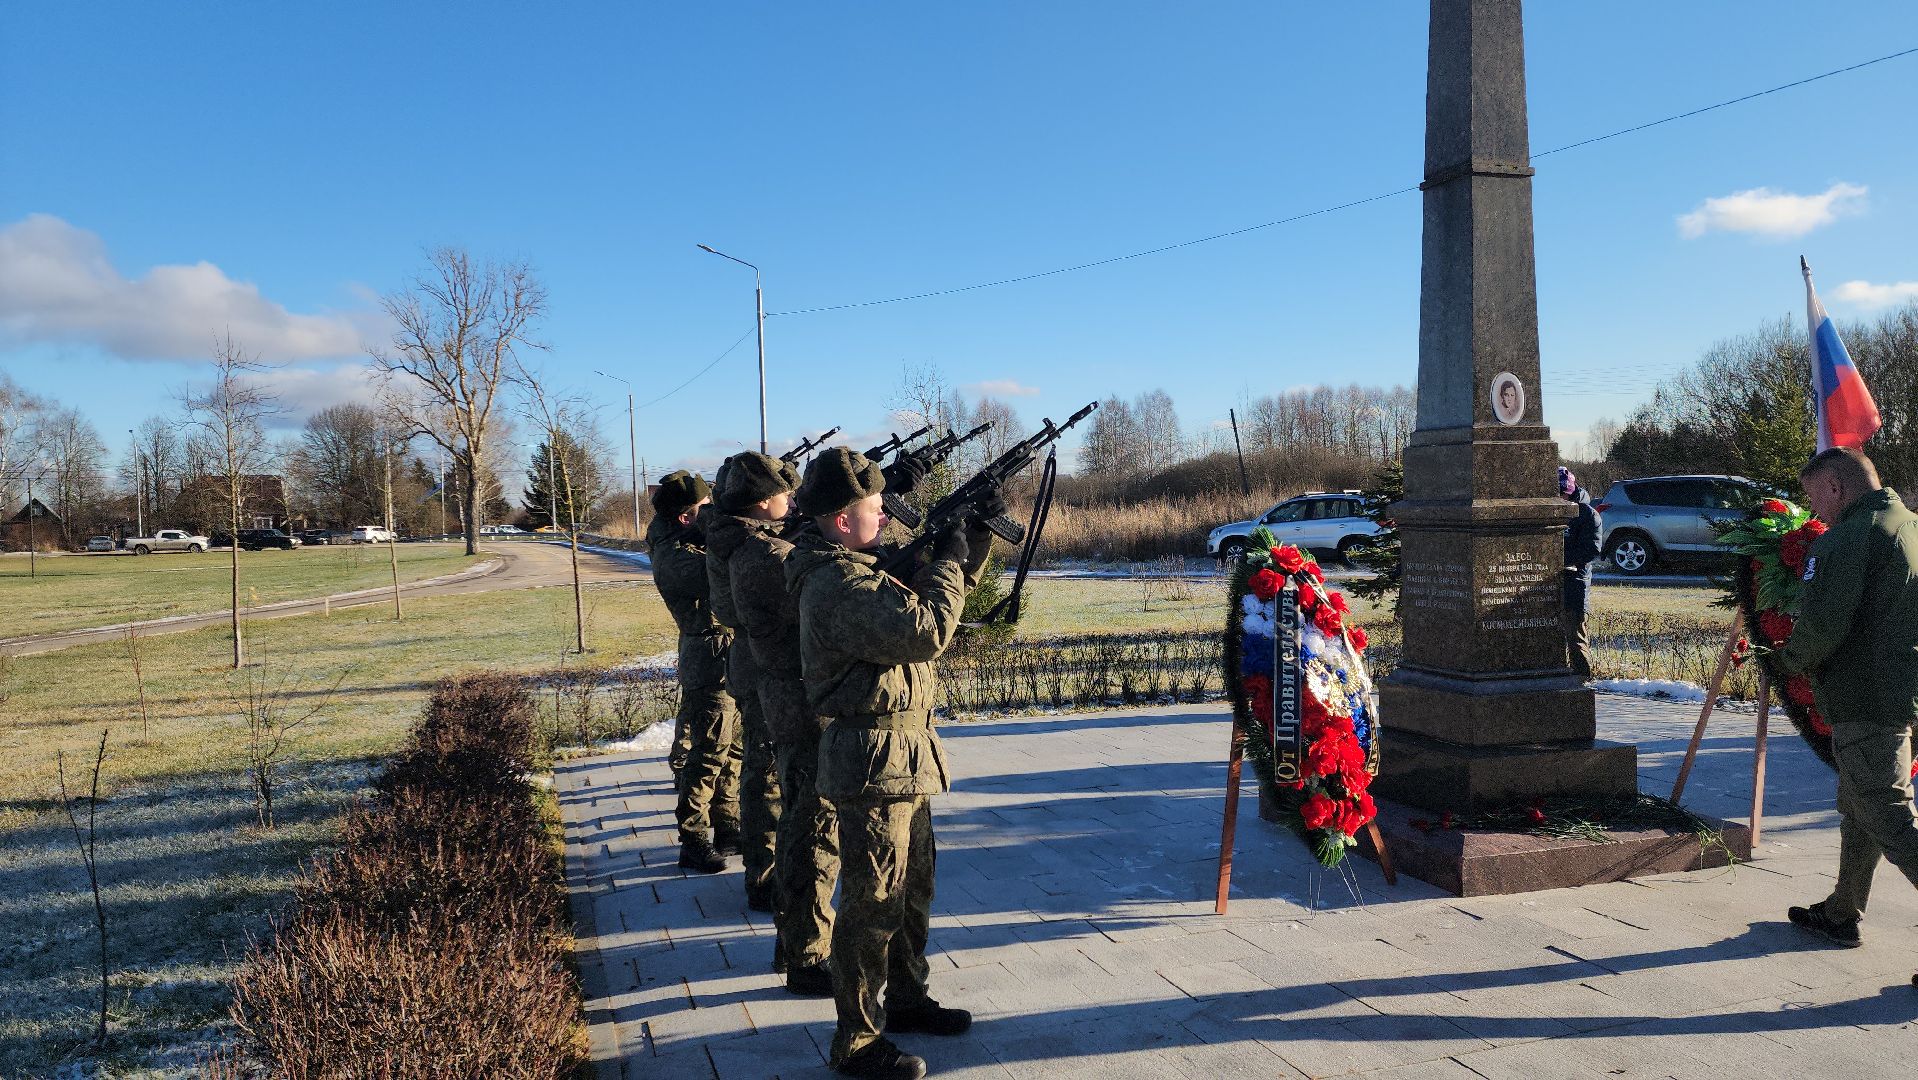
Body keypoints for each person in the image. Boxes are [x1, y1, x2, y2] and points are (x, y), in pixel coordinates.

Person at [786, 448, 996, 1080]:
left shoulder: (862, 567)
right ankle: (857, 1037)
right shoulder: (835, 583)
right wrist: (949, 562)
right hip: (872, 757)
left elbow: (942, 601)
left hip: (904, 754)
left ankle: (905, 997)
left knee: (911, 892)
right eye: (876, 508)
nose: (885, 517)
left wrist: (972, 540)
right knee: (873, 900)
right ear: (844, 518)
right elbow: (927, 627)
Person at [1773, 448, 1918, 987]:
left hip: (1867, 698)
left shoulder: (1848, 541)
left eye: (1814, 496)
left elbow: (1822, 627)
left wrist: (1783, 658)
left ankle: (1842, 910)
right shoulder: (1909, 526)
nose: (1815, 509)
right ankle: (1841, 910)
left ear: (1835, 487)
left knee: (1886, 811)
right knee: (1860, 802)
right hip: (1904, 690)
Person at [647, 470, 742, 874]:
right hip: (709, 656)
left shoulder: (689, 538)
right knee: (707, 751)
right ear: (687, 518)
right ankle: (694, 837)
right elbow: (728, 575)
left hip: (729, 651)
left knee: (734, 745)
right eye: (706, 509)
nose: (714, 514)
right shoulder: (675, 558)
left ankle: (727, 822)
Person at [705, 460, 785, 921]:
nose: (789, 501)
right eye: (781, 494)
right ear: (760, 502)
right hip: (762, 664)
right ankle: (765, 875)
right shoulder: (750, 546)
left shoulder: (728, 532)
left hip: (749, 659)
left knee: (761, 767)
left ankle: (764, 869)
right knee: (768, 774)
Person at [1559, 466, 1601, 680]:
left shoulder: (1587, 514)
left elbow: (1592, 550)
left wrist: (1562, 560)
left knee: (1575, 637)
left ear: (1571, 490)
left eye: (1563, 492)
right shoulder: (1551, 509)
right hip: (1549, 585)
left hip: (1575, 582)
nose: (1560, 497)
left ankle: (1583, 680)